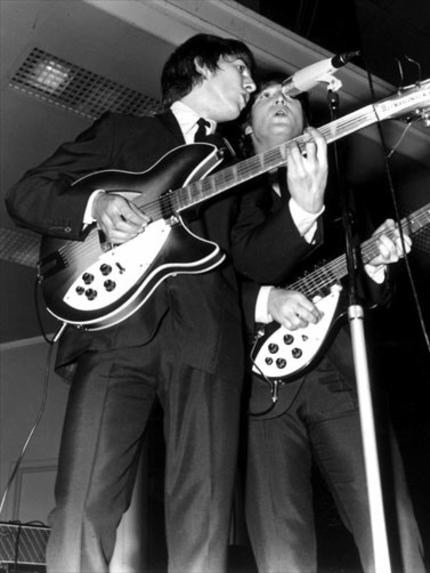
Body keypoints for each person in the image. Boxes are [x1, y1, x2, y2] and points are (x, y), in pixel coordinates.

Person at [6, 34, 257, 573]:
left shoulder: (242, 162)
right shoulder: (125, 131)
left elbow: (258, 257)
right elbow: (26, 193)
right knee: (81, 505)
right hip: (115, 333)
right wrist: (97, 203)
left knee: (204, 515)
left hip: (208, 341)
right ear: (203, 66)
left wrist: (306, 213)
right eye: (242, 69)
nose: (252, 85)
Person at [231, 76, 426, 572]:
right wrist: (264, 301)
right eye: (265, 98)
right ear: (247, 127)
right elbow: (203, 287)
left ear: (309, 123)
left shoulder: (344, 198)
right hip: (259, 382)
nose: (281, 101)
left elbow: (370, 291)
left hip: (339, 371)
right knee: (280, 535)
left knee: (387, 517)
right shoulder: (223, 194)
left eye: (291, 97)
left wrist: (379, 262)